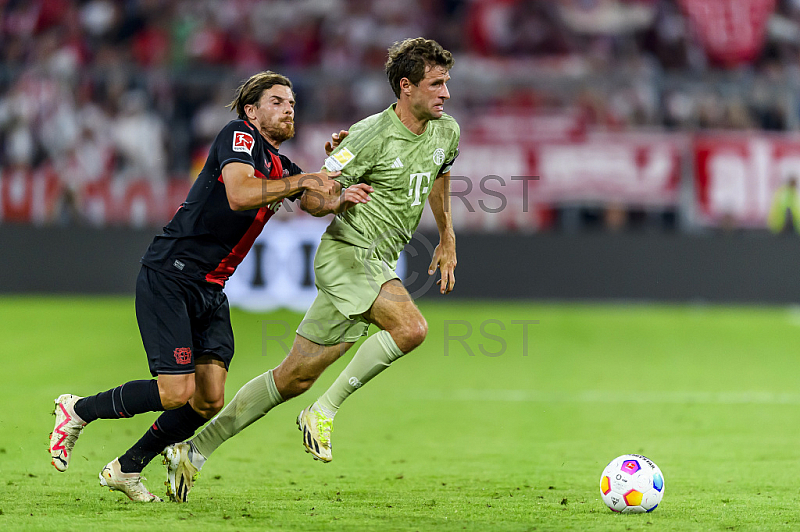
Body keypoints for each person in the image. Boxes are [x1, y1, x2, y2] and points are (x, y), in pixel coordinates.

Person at [162, 37, 460, 503]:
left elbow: (441, 172)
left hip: (375, 262)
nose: (446, 93)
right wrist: (336, 198)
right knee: (411, 327)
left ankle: (193, 449)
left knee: (293, 377)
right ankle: (322, 411)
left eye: (447, 83)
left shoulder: (447, 132)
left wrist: (446, 235)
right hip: (347, 254)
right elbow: (316, 195)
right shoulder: (367, 135)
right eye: (436, 83)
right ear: (406, 87)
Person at [48, 71, 367, 502]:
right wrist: (303, 181)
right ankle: (78, 409)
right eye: (277, 101)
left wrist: (336, 185)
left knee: (209, 398)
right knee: (175, 391)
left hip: (211, 290)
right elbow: (238, 194)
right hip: (172, 275)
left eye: (292, 102)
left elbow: (313, 199)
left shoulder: (277, 162)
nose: (289, 107)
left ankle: (127, 468)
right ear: (252, 111)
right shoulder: (238, 136)